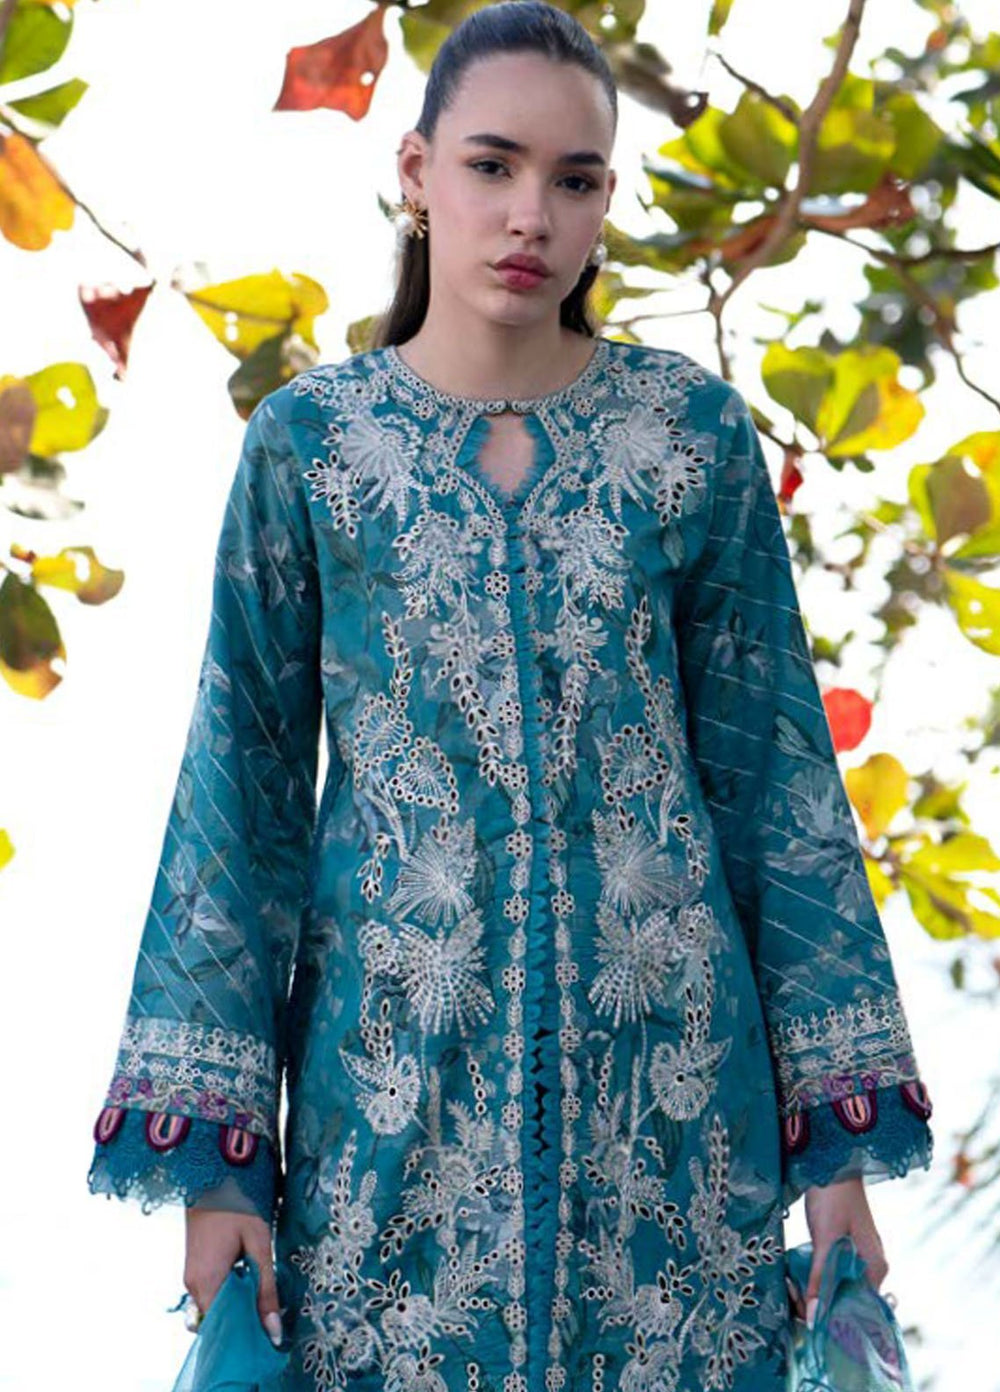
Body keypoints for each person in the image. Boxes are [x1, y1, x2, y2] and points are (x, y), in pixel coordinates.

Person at [87, 4, 935, 1388]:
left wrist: (837, 1154)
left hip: (674, 1119)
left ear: (605, 201)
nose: (531, 213)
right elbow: (239, 803)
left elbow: (779, 794)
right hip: (388, 1120)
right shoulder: (311, 447)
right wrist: (221, 1170)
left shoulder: (692, 440)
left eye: (574, 178)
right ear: (417, 174)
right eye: (492, 165)